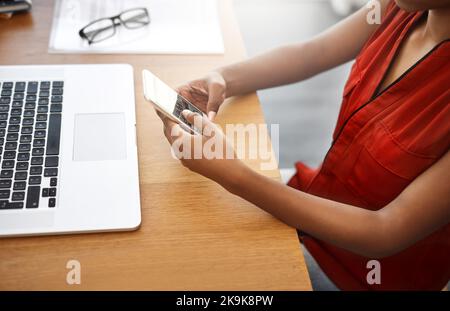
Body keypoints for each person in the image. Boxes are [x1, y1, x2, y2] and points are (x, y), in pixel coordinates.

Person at [156, 0, 450, 290]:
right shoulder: (397, 8)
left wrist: (234, 176)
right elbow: (312, 53)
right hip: (311, 197)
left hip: (356, 277)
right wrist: (221, 80)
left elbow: (385, 231)